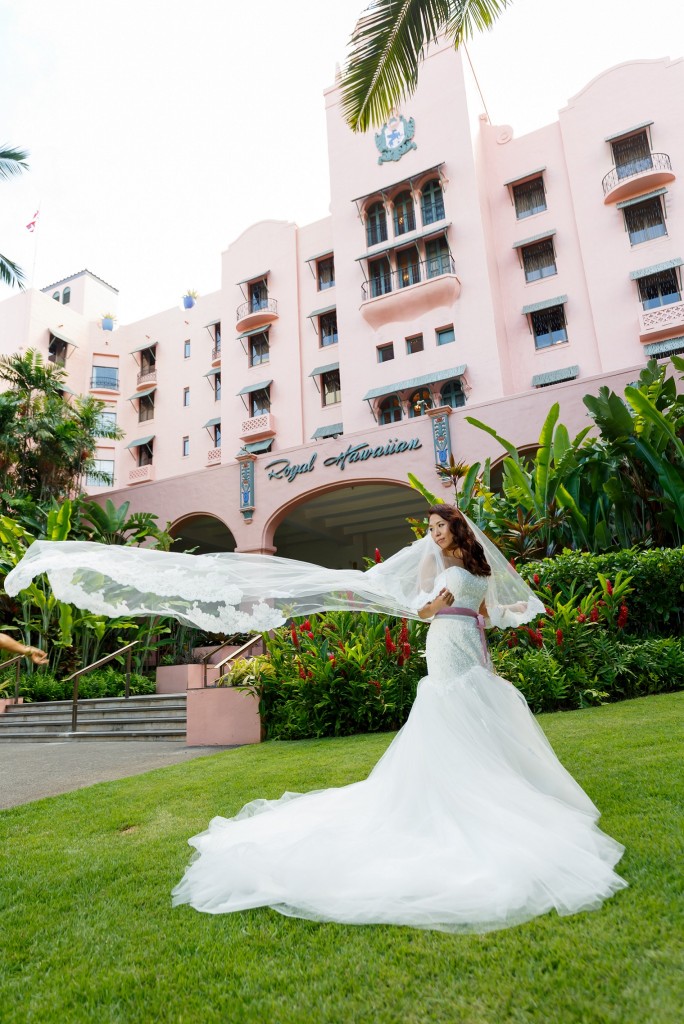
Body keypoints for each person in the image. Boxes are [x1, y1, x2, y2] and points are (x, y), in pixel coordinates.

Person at [4, 504, 626, 932]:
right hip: (445, 641)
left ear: (458, 530)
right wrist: (430, 595)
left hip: (466, 643)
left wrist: (468, 620)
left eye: (441, 528)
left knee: (475, 709)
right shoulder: (442, 566)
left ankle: (487, 784)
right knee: (450, 708)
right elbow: (427, 610)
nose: (435, 535)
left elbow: (472, 614)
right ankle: (459, 788)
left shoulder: (474, 568)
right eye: (431, 529)